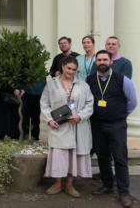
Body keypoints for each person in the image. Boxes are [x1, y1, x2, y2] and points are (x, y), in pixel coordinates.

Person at [87, 50, 137, 208]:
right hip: (97, 124)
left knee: (120, 158)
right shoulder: (90, 79)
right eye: (99, 59)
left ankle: (124, 192)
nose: (102, 62)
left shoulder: (122, 80)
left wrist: (121, 115)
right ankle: (107, 185)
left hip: (117, 124)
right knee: (102, 156)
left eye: (105, 59)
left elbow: (133, 101)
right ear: (96, 62)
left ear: (111, 62)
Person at [40, 56, 94, 198]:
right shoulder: (51, 85)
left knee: (73, 156)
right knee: (59, 155)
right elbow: (44, 104)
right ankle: (57, 183)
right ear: (63, 66)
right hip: (59, 126)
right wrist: (49, 119)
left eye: (74, 69)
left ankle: (69, 184)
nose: (71, 71)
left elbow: (90, 104)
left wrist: (80, 116)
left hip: (77, 126)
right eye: (69, 68)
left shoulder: (83, 85)